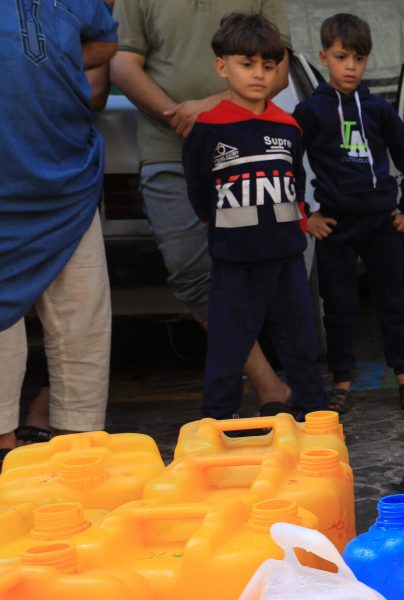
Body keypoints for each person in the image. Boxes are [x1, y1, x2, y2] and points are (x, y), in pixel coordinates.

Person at [111, 0, 296, 414]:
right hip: (168, 150)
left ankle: (273, 391)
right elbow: (123, 65)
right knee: (191, 271)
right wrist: (181, 116)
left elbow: (279, 67)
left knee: (272, 268)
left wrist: (212, 109)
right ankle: (268, 385)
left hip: (249, 147)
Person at [182, 13, 326, 420]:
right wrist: (225, 229)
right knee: (228, 351)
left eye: (268, 65)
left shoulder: (289, 127)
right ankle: (217, 427)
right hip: (234, 264)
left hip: (287, 261)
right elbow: (198, 189)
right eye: (247, 65)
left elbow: (295, 183)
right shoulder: (207, 128)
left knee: (302, 345)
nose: (259, 75)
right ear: (222, 66)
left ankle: (316, 422)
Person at [294, 14, 404, 413]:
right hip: (334, 225)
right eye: (341, 57)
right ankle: (341, 382)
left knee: (395, 302)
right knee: (338, 307)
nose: (350, 66)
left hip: (383, 224)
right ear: (324, 57)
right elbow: (285, 166)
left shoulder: (378, 109)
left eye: (359, 58)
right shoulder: (309, 112)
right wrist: (307, 216)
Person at [0, 0, 118, 457]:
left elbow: (105, 41)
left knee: (82, 318)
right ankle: (6, 453)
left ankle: (80, 450)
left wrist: (58, 53)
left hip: (68, 178)